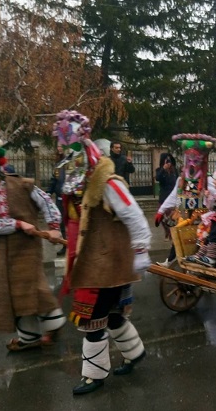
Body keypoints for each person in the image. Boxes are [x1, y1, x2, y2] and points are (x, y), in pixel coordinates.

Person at [54, 110, 152, 395]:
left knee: (92, 319)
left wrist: (142, 251)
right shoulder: (79, 186)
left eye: (71, 151)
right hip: (93, 263)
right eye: (63, 151)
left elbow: (134, 216)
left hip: (109, 267)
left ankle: (93, 376)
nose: (67, 159)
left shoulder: (108, 184)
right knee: (112, 315)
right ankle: (135, 354)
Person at [0, 133, 66, 352]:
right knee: (10, 295)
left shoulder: (20, 184)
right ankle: (29, 338)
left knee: (32, 288)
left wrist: (54, 227)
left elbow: (47, 202)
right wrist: (18, 224)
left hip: (26, 248)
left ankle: (54, 323)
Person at [155, 134, 216, 267]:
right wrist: (161, 210)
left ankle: (199, 262)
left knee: (199, 239)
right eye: (189, 160)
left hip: (201, 217)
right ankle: (171, 260)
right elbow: (173, 196)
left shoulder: (208, 179)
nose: (192, 163)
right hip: (183, 213)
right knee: (178, 236)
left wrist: (209, 195)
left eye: (196, 160)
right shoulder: (181, 179)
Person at [47, 145, 68, 257]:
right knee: (62, 223)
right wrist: (49, 192)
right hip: (60, 199)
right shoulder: (58, 165)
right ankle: (65, 245)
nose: (60, 148)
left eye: (62, 146)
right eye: (58, 146)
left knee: (73, 222)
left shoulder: (70, 162)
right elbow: (54, 180)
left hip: (70, 198)